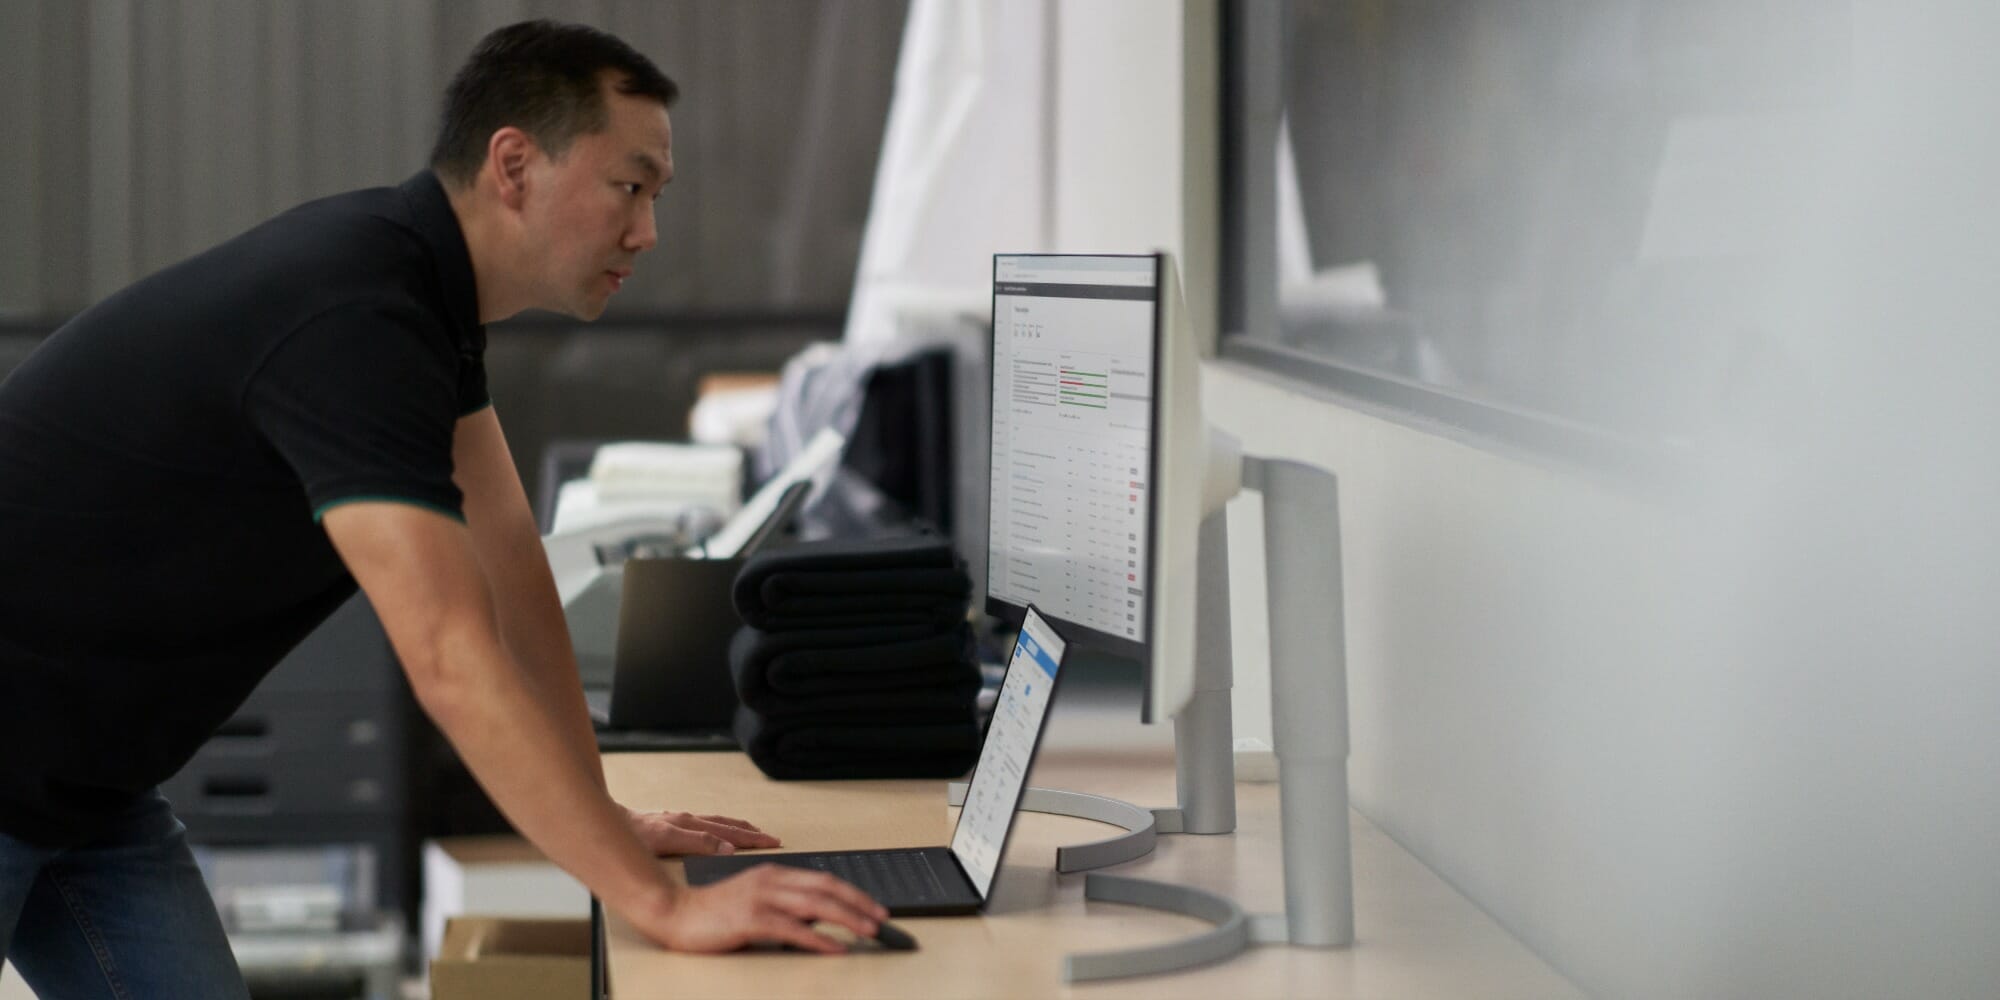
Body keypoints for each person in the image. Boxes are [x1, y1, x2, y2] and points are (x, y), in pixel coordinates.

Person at [0, 20, 885, 997]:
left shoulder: (419, 305)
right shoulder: (358, 321)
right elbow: (451, 657)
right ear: (514, 165)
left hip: (86, 786)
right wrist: (663, 903)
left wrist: (598, 818)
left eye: (655, 196)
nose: (646, 231)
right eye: (627, 187)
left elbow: (510, 569)